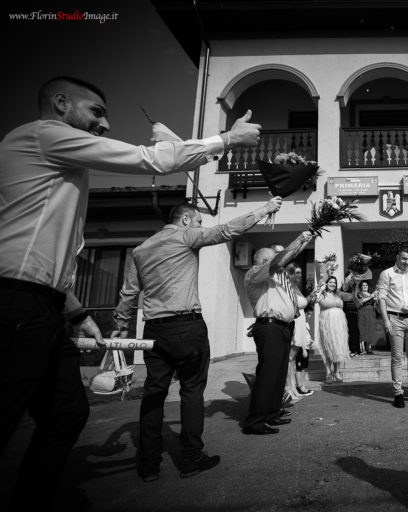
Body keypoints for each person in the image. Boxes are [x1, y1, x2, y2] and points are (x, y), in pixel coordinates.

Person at [0, 75, 264, 507]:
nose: (104, 125)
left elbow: (74, 263)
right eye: (97, 112)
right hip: (17, 301)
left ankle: (114, 472)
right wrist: (227, 139)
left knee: (71, 413)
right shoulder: (44, 135)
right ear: (62, 104)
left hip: (62, 308)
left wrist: (75, 311)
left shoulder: (138, 246)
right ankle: (191, 455)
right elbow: (151, 163)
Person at [112, 199, 282, 480]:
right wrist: (264, 210)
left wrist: (119, 323)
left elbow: (129, 293)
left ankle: (149, 464)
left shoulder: (140, 250)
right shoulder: (185, 235)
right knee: (191, 392)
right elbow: (226, 231)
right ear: (187, 220)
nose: (202, 227)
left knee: (154, 394)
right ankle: (191, 458)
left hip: (153, 329)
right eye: (200, 221)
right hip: (186, 326)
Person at [242, 231, 316, 435]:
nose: (283, 260)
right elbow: (281, 260)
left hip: (282, 327)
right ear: (266, 260)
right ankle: (255, 421)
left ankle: (271, 413)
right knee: (268, 375)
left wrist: (310, 237)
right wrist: (300, 237)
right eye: (277, 256)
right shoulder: (255, 272)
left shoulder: (279, 279)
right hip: (271, 327)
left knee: (278, 374)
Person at [377, 246, 408, 408]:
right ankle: (398, 393)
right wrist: (385, 320)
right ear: (398, 258)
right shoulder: (387, 274)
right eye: (404, 258)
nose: (407, 262)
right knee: (397, 356)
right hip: (395, 318)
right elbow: (382, 298)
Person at [314, 275, 353, 383]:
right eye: (331, 282)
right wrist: (320, 289)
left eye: (334, 283)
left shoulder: (339, 294)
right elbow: (315, 299)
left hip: (339, 324)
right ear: (326, 283)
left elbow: (350, 295)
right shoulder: (322, 294)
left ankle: (336, 371)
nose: (333, 284)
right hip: (327, 324)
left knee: (338, 346)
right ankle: (328, 372)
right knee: (328, 347)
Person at [285, 264, 313, 399]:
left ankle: (292, 388)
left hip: (301, 323)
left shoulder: (296, 288)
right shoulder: (287, 287)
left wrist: (313, 294)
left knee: (293, 359)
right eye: (296, 272)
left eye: (300, 273)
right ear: (289, 273)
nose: (299, 275)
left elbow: (302, 304)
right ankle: (288, 388)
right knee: (290, 358)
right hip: (294, 323)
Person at [354, 280, 378, 354]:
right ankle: (362, 349)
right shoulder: (359, 294)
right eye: (363, 285)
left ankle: (369, 348)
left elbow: (375, 304)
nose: (364, 287)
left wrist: (376, 299)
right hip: (362, 312)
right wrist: (371, 296)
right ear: (361, 287)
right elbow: (361, 301)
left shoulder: (371, 294)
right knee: (363, 329)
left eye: (366, 285)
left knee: (371, 329)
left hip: (371, 313)